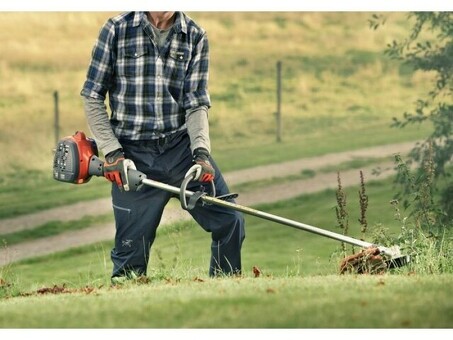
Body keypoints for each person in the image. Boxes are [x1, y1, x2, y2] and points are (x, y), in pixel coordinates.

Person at [80, 11, 245, 282]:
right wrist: (112, 152)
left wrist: (201, 153)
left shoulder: (195, 35)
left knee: (230, 221)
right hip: (132, 156)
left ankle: (225, 291)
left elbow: (196, 103)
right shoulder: (116, 30)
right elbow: (92, 95)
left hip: (181, 152)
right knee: (129, 261)